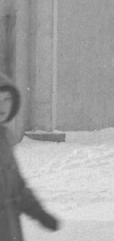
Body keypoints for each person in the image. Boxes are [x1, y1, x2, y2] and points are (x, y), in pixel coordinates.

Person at [0, 72, 60, 239]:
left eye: (6, 99)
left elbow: (16, 187)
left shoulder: (4, 139)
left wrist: (38, 212)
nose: (2, 106)